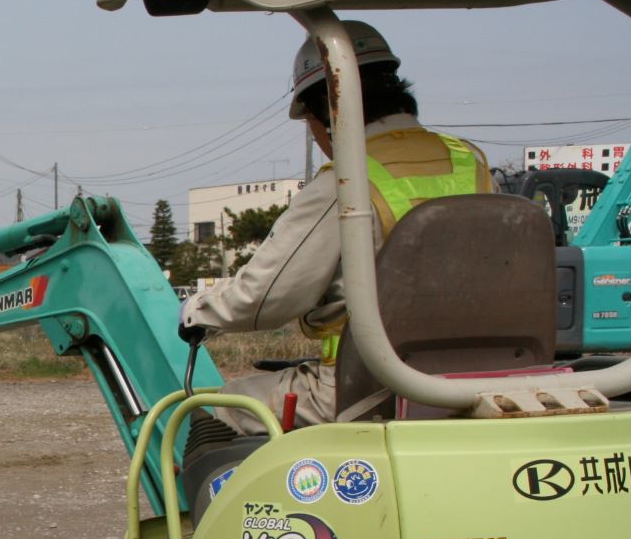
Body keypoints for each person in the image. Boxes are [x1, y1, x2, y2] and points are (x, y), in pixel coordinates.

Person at [178, 23, 490, 433]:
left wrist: (195, 312)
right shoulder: (473, 162)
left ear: (328, 109)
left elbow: (266, 296)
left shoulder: (344, 182)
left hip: (372, 385)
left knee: (216, 410)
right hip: (477, 377)